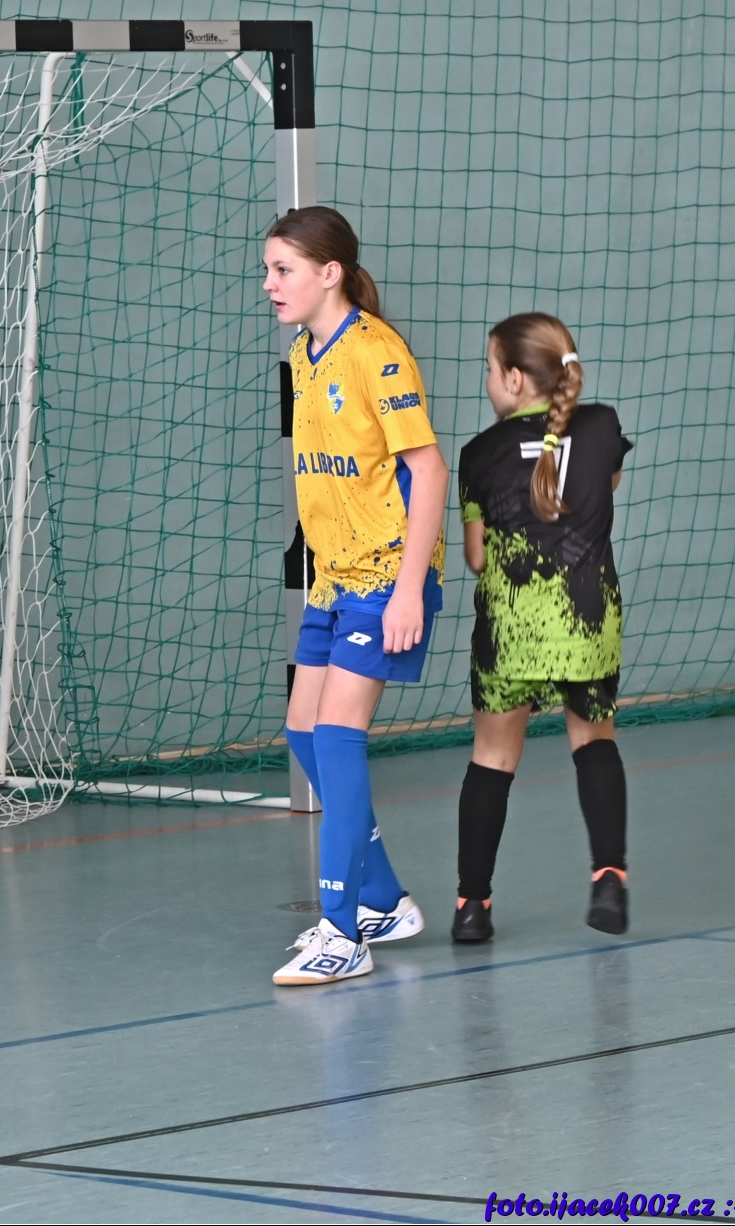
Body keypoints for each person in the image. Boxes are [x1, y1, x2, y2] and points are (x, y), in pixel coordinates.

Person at [263, 206, 445, 986]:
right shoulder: (303, 355)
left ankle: (343, 933)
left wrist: (409, 592)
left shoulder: (379, 353)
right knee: (304, 735)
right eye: (269, 270)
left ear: (329, 273)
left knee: (338, 738)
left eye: (284, 270)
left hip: (385, 578)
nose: (270, 284)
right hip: (332, 578)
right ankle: (384, 900)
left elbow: (430, 472)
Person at [452, 313, 632, 942]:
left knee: (493, 757)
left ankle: (472, 907)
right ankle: (609, 879)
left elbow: (477, 557)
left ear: (513, 377)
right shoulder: (603, 426)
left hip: (511, 631)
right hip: (588, 620)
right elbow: (603, 487)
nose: (486, 381)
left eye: (488, 368)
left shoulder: (478, 454)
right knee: (594, 740)